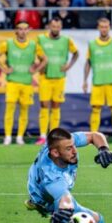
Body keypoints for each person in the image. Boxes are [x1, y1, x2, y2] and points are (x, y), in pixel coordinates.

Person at [24, 127, 112, 223]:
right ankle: (42, 206)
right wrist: (64, 210)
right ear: (55, 153)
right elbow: (65, 199)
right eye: (69, 149)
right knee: (99, 222)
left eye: (74, 145)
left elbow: (94, 135)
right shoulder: (52, 178)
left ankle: (42, 206)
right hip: (46, 195)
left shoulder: (60, 143)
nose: (75, 151)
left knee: (67, 215)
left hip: (39, 179)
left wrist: (103, 149)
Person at [0, 21, 45, 145]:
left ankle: (20, 137)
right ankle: (8, 137)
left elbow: (44, 59)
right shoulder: (8, 44)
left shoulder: (33, 45)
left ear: (28, 31)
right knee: (9, 110)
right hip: (12, 82)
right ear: (16, 31)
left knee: (24, 111)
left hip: (27, 82)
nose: (22, 31)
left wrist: (35, 70)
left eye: (25, 29)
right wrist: (4, 69)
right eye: (20, 29)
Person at [82, 17, 112, 144]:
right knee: (96, 109)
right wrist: (85, 80)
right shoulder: (92, 44)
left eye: (106, 26)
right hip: (98, 81)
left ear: (109, 28)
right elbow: (88, 63)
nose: (104, 29)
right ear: (98, 28)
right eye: (102, 27)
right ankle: (93, 138)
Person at [35, 17, 79, 145]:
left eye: (58, 27)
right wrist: (40, 65)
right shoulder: (41, 39)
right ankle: (43, 135)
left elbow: (76, 53)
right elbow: (37, 53)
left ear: (61, 27)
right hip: (45, 77)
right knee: (44, 105)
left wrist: (69, 66)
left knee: (56, 105)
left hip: (59, 77)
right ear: (49, 26)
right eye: (53, 26)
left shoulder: (66, 40)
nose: (56, 29)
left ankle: (52, 135)